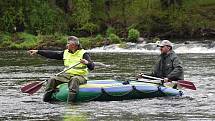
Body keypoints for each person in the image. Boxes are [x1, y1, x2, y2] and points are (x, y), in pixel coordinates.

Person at [28, 36, 94, 103]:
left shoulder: (84, 54)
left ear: (74, 45)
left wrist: (86, 62)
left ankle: (70, 103)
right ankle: (46, 101)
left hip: (80, 77)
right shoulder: (65, 53)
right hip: (67, 76)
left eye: (68, 43)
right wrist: (38, 51)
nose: (66, 45)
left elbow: (92, 66)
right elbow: (52, 54)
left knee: (74, 79)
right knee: (52, 79)